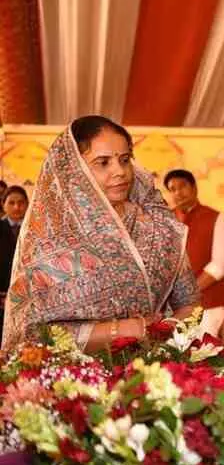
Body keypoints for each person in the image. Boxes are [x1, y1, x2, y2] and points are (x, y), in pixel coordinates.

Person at [1, 116, 199, 354]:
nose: (120, 171)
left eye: (124, 159)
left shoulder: (158, 227)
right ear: (74, 170)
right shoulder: (49, 240)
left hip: (154, 367)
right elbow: (28, 332)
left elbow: (190, 305)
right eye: (103, 162)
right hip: (70, 372)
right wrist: (122, 331)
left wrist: (159, 339)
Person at [165, 169, 224, 337]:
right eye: (172, 189)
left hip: (207, 305)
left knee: (203, 350)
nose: (178, 193)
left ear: (194, 188)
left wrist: (189, 291)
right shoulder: (166, 220)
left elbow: (219, 266)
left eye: (182, 186)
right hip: (172, 309)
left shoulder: (215, 217)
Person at [0, 186, 29, 341]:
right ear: (3, 204)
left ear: (28, 204)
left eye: (21, 202)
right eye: (11, 203)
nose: (17, 207)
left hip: (27, 298)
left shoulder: (34, 229)